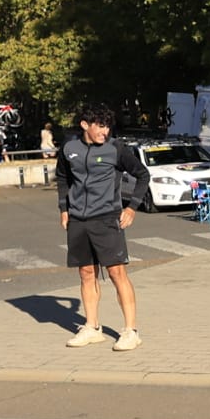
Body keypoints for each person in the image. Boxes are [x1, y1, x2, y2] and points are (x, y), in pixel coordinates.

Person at [56, 105, 150, 352]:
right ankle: (92, 327)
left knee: (117, 273)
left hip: (107, 218)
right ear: (85, 125)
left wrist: (131, 208)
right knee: (86, 273)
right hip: (78, 219)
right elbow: (63, 179)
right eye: (100, 125)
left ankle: (131, 331)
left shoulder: (116, 149)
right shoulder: (69, 148)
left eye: (107, 126)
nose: (105, 131)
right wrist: (64, 209)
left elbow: (143, 175)